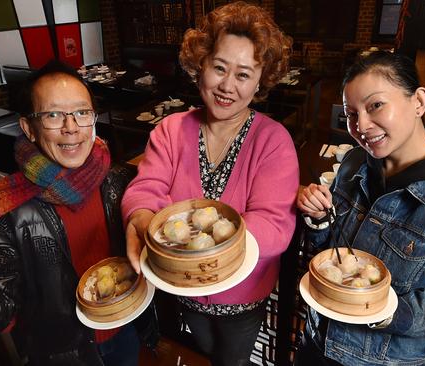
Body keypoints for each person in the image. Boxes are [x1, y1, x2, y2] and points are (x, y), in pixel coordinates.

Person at [0, 60, 150, 366]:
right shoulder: (4, 209)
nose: (71, 128)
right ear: (29, 128)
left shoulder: (118, 179)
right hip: (63, 351)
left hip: (125, 327)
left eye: (81, 113)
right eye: (53, 115)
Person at [295, 50, 425, 365]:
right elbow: (331, 251)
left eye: (375, 105)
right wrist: (321, 220)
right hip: (316, 341)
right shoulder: (353, 163)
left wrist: (384, 310)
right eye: (351, 113)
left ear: (418, 101)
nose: (361, 125)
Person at [122, 2, 298, 366]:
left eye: (244, 74)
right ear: (200, 66)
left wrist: (200, 245)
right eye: (219, 67)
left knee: (230, 360)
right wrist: (139, 218)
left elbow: (275, 224)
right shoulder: (171, 130)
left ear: (261, 81)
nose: (227, 86)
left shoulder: (274, 141)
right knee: (199, 352)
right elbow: (145, 190)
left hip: (243, 295)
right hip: (180, 289)